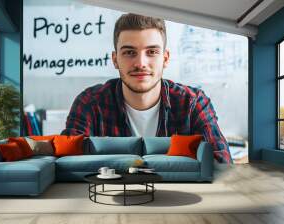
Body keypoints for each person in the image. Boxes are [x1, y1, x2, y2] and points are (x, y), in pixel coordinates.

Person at [61, 13, 232, 163]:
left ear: (165, 59)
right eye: (129, 52)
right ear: (115, 59)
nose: (141, 63)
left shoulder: (192, 103)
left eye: (151, 52)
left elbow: (221, 165)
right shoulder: (90, 103)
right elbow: (67, 164)